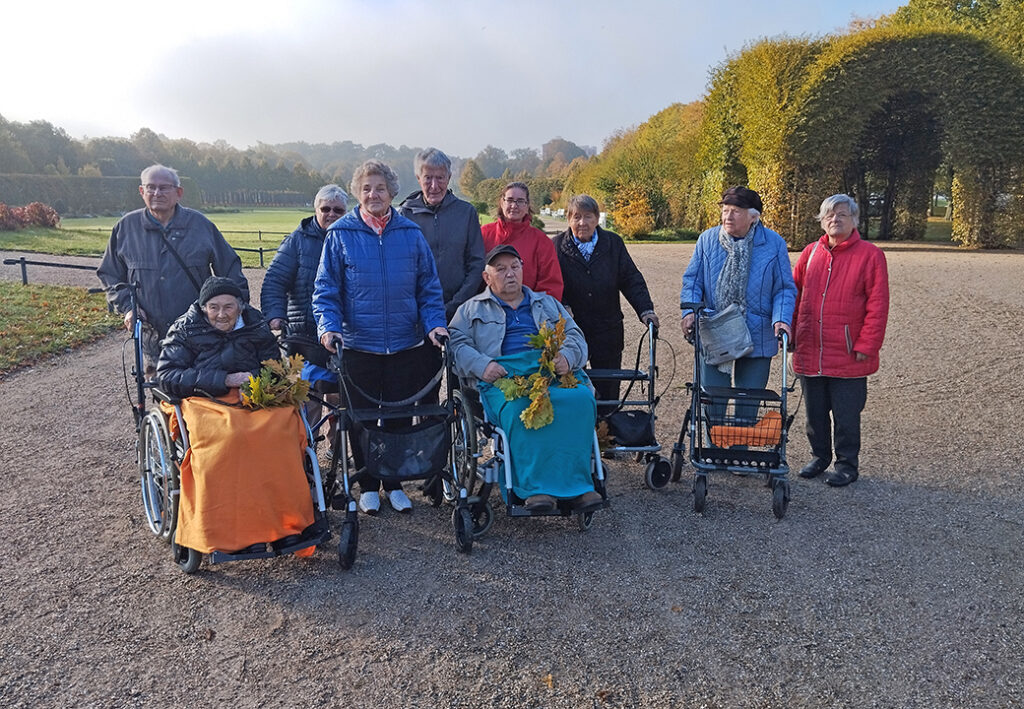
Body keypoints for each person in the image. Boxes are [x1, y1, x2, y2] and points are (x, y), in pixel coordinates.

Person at [313, 160, 448, 515]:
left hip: (405, 343)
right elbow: (326, 290)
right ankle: (369, 483)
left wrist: (435, 324)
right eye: (367, 189)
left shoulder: (410, 234)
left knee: (400, 416)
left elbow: (428, 288)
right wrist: (329, 326)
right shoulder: (341, 234)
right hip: (359, 345)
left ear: (392, 192)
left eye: (380, 188)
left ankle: (395, 482)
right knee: (364, 418)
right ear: (358, 193)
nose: (374, 194)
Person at [449, 244, 602, 513]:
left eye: (515, 267)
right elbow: (455, 346)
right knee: (522, 410)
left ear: (523, 270)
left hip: (549, 372)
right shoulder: (470, 309)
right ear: (487, 278)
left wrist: (567, 357)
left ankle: (579, 485)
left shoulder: (548, 303)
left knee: (580, 399)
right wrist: (482, 365)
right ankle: (533, 489)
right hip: (504, 377)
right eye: (501, 269)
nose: (510, 274)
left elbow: (576, 336)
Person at [97, 164, 248, 378]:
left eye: (164, 188)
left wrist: (235, 312)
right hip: (153, 337)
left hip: (199, 335)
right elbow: (109, 274)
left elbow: (231, 269)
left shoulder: (200, 226)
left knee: (203, 394)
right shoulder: (125, 228)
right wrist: (128, 307)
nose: (156, 193)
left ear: (179, 193)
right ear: (142, 192)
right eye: (150, 188)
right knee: (162, 397)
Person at [792, 194, 889, 487]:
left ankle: (847, 464)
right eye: (830, 215)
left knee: (847, 416)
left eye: (842, 215)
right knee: (815, 414)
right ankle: (820, 457)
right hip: (811, 349)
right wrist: (792, 334)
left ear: (854, 220)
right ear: (822, 221)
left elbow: (878, 304)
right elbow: (793, 296)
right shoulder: (810, 254)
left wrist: (866, 345)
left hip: (848, 353)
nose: (835, 219)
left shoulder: (870, 256)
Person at [680, 186, 796, 394]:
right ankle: (713, 427)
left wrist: (781, 319)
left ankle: (744, 426)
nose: (728, 216)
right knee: (712, 402)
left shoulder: (773, 243)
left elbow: (784, 289)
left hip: (757, 333)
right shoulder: (707, 240)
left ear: (753, 217)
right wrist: (689, 312)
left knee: (748, 404)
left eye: (736, 211)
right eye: (725, 210)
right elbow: (692, 281)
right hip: (715, 330)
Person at [261, 184, 349, 448]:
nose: (331, 214)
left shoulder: (352, 238)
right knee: (307, 399)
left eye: (338, 210)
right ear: (316, 210)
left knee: (341, 398)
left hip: (341, 332)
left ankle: (339, 453)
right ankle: (304, 456)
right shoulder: (297, 241)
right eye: (326, 209)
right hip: (304, 335)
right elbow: (275, 280)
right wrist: (275, 315)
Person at [554, 194, 659, 410]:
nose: (582, 223)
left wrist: (645, 310)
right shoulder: (556, 246)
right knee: (572, 388)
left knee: (609, 390)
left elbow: (631, 279)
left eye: (588, 217)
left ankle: (608, 436)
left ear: (597, 219)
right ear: (568, 219)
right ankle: (579, 438)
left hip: (607, 329)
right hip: (572, 332)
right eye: (576, 217)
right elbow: (550, 283)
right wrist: (562, 304)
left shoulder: (612, 243)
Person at [399, 148, 486, 322]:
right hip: (416, 313)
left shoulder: (466, 212)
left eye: (440, 178)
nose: (434, 186)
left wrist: (456, 304)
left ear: (449, 177)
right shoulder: (404, 216)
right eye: (428, 178)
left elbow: (476, 263)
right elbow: (400, 267)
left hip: (461, 312)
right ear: (418, 178)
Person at [156, 276, 278, 399]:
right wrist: (224, 379)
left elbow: (275, 369)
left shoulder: (256, 326)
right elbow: (167, 375)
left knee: (286, 415)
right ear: (204, 308)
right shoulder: (185, 330)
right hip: (201, 399)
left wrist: (254, 380)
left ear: (240, 308)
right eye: (213, 307)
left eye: (228, 307)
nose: (221, 315)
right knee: (227, 419)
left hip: (252, 397)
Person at [481, 181, 563, 300]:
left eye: (520, 201)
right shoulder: (483, 234)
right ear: (501, 202)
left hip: (529, 312)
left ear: (527, 205)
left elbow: (551, 285)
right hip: (486, 311)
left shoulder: (541, 241)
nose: (514, 206)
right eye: (509, 200)